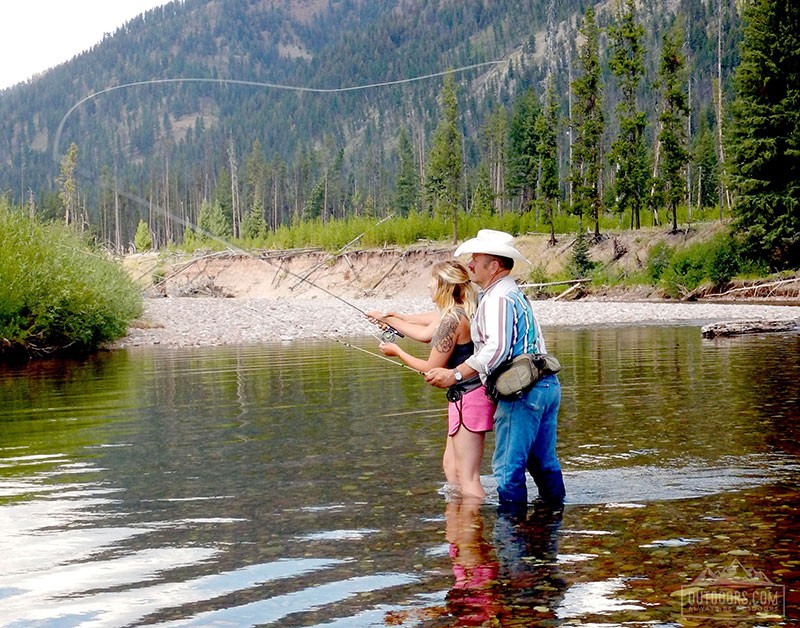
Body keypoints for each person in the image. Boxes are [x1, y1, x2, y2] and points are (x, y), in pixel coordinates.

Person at [424, 230, 566, 507]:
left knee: (507, 467)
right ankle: (552, 519)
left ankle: (511, 535)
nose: (471, 264)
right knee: (542, 461)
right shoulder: (513, 293)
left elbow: (496, 348)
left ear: (495, 266)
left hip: (523, 392)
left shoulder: (498, 298)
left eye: (476, 258)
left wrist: (455, 374)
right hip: (546, 385)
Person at [366, 260, 495, 500]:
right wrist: (392, 318)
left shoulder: (452, 320)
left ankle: (471, 530)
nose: (428, 286)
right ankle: (459, 525)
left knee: (467, 476)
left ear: (444, 287)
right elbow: (426, 331)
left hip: (470, 398)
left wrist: (398, 352)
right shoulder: (460, 310)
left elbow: (431, 369)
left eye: (432, 283)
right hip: (464, 397)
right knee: (451, 468)